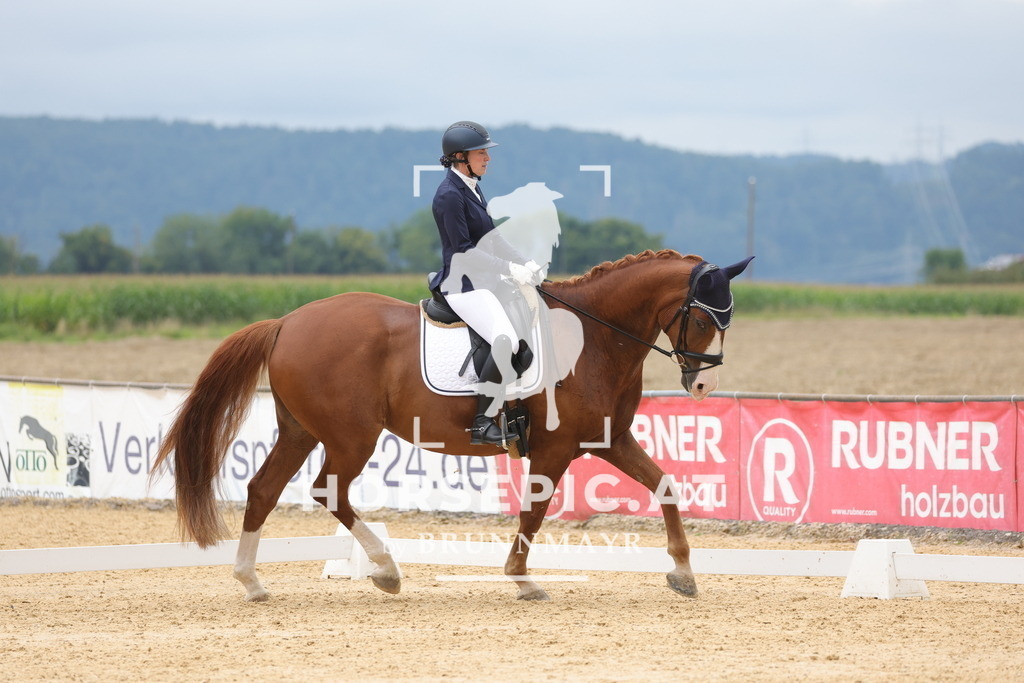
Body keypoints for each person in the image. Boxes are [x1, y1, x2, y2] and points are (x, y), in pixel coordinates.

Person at [430, 121, 543, 445]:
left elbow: (492, 239)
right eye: (482, 153)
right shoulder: (449, 196)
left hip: (485, 281)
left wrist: (525, 263)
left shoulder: (472, 187)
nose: (487, 158)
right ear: (459, 157)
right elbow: (464, 251)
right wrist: (508, 268)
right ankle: (482, 421)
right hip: (463, 285)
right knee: (505, 338)